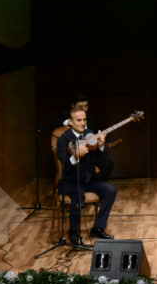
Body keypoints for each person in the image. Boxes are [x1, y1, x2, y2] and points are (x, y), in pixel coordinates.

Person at [55, 108, 117, 243]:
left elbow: (99, 157)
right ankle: (73, 232)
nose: (83, 123)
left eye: (84, 120)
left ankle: (98, 228)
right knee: (79, 194)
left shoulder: (89, 133)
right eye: (79, 120)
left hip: (88, 179)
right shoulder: (63, 139)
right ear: (70, 122)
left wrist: (100, 145)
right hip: (70, 181)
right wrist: (76, 157)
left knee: (110, 191)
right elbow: (64, 166)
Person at [49, 93, 114, 181]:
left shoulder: (93, 119)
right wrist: (69, 122)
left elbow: (99, 135)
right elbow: (51, 125)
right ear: (73, 106)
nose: (84, 109)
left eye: (86, 106)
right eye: (80, 106)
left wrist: (100, 142)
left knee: (108, 164)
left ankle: (94, 184)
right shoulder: (66, 115)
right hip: (73, 153)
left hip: (90, 153)